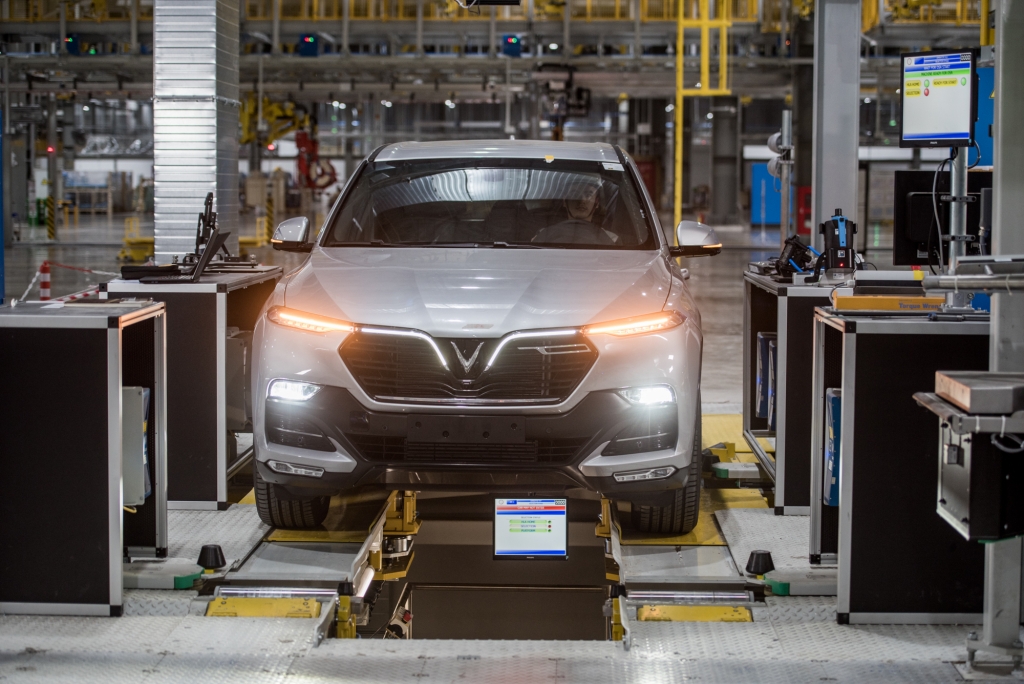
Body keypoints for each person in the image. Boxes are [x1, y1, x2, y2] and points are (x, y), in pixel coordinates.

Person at [532, 176, 619, 246]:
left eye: (588, 194)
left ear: (597, 202)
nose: (582, 200)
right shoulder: (542, 235)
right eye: (575, 194)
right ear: (564, 201)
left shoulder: (613, 239)